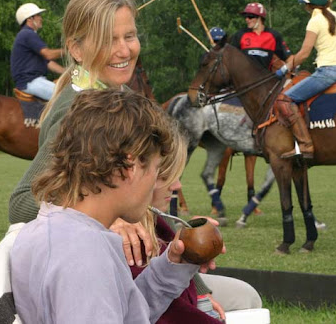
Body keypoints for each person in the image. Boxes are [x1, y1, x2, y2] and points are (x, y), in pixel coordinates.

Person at [10, 89, 205, 323]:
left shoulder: (62, 230)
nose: (158, 182)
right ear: (129, 167)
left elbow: (122, 312)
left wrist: (173, 266)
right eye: (156, 169)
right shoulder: (84, 257)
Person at [9, 0, 156, 267]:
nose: (124, 51)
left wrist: (193, 278)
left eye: (130, 36)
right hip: (88, 268)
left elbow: (145, 208)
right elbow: (21, 202)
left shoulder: (125, 99)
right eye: (109, 40)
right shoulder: (74, 112)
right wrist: (104, 217)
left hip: (138, 268)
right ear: (76, 49)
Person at [132, 128, 263, 324]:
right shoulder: (122, 232)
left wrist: (201, 291)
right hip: (162, 301)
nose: (177, 186)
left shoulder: (156, 214)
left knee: (248, 295)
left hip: (173, 292)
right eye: (165, 176)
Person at [274, 0, 336, 159]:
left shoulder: (315, 20)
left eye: (305, 3)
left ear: (309, 5)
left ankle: (305, 145)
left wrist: (285, 68)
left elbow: (304, 54)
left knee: (285, 100)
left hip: (327, 72)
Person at [10, 2, 64, 101]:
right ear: (30, 19)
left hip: (33, 81)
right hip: (31, 81)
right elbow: (48, 55)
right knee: (66, 99)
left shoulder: (27, 35)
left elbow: (48, 63)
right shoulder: (27, 34)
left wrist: (67, 73)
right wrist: (70, 50)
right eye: (38, 15)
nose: (41, 18)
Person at [228, 2, 292, 73]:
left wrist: (284, 70)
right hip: (243, 80)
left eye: (250, 16)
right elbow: (229, 57)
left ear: (260, 18)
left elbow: (289, 58)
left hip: (266, 79)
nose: (247, 19)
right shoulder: (240, 34)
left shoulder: (274, 35)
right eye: (245, 16)